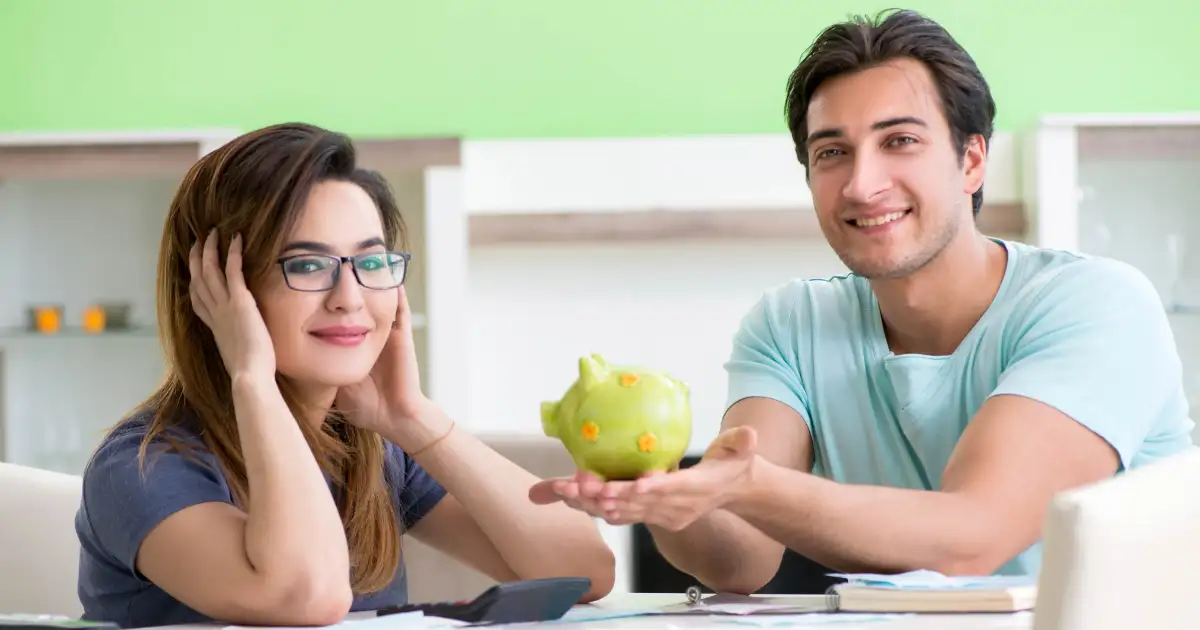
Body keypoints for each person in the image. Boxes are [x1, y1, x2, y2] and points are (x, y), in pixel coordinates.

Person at [531, 9, 1195, 592]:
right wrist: (659, 490)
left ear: (972, 161)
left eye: (899, 141)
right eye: (831, 152)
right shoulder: (790, 324)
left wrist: (745, 483)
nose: (862, 183)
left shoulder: (1097, 304)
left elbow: (973, 535)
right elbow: (739, 560)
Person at [75, 123, 615, 628]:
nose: (350, 298)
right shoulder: (141, 467)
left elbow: (585, 571)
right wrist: (253, 379)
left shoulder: (373, 447)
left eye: (372, 263)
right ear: (214, 292)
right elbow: (307, 596)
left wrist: (414, 418)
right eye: (307, 265)